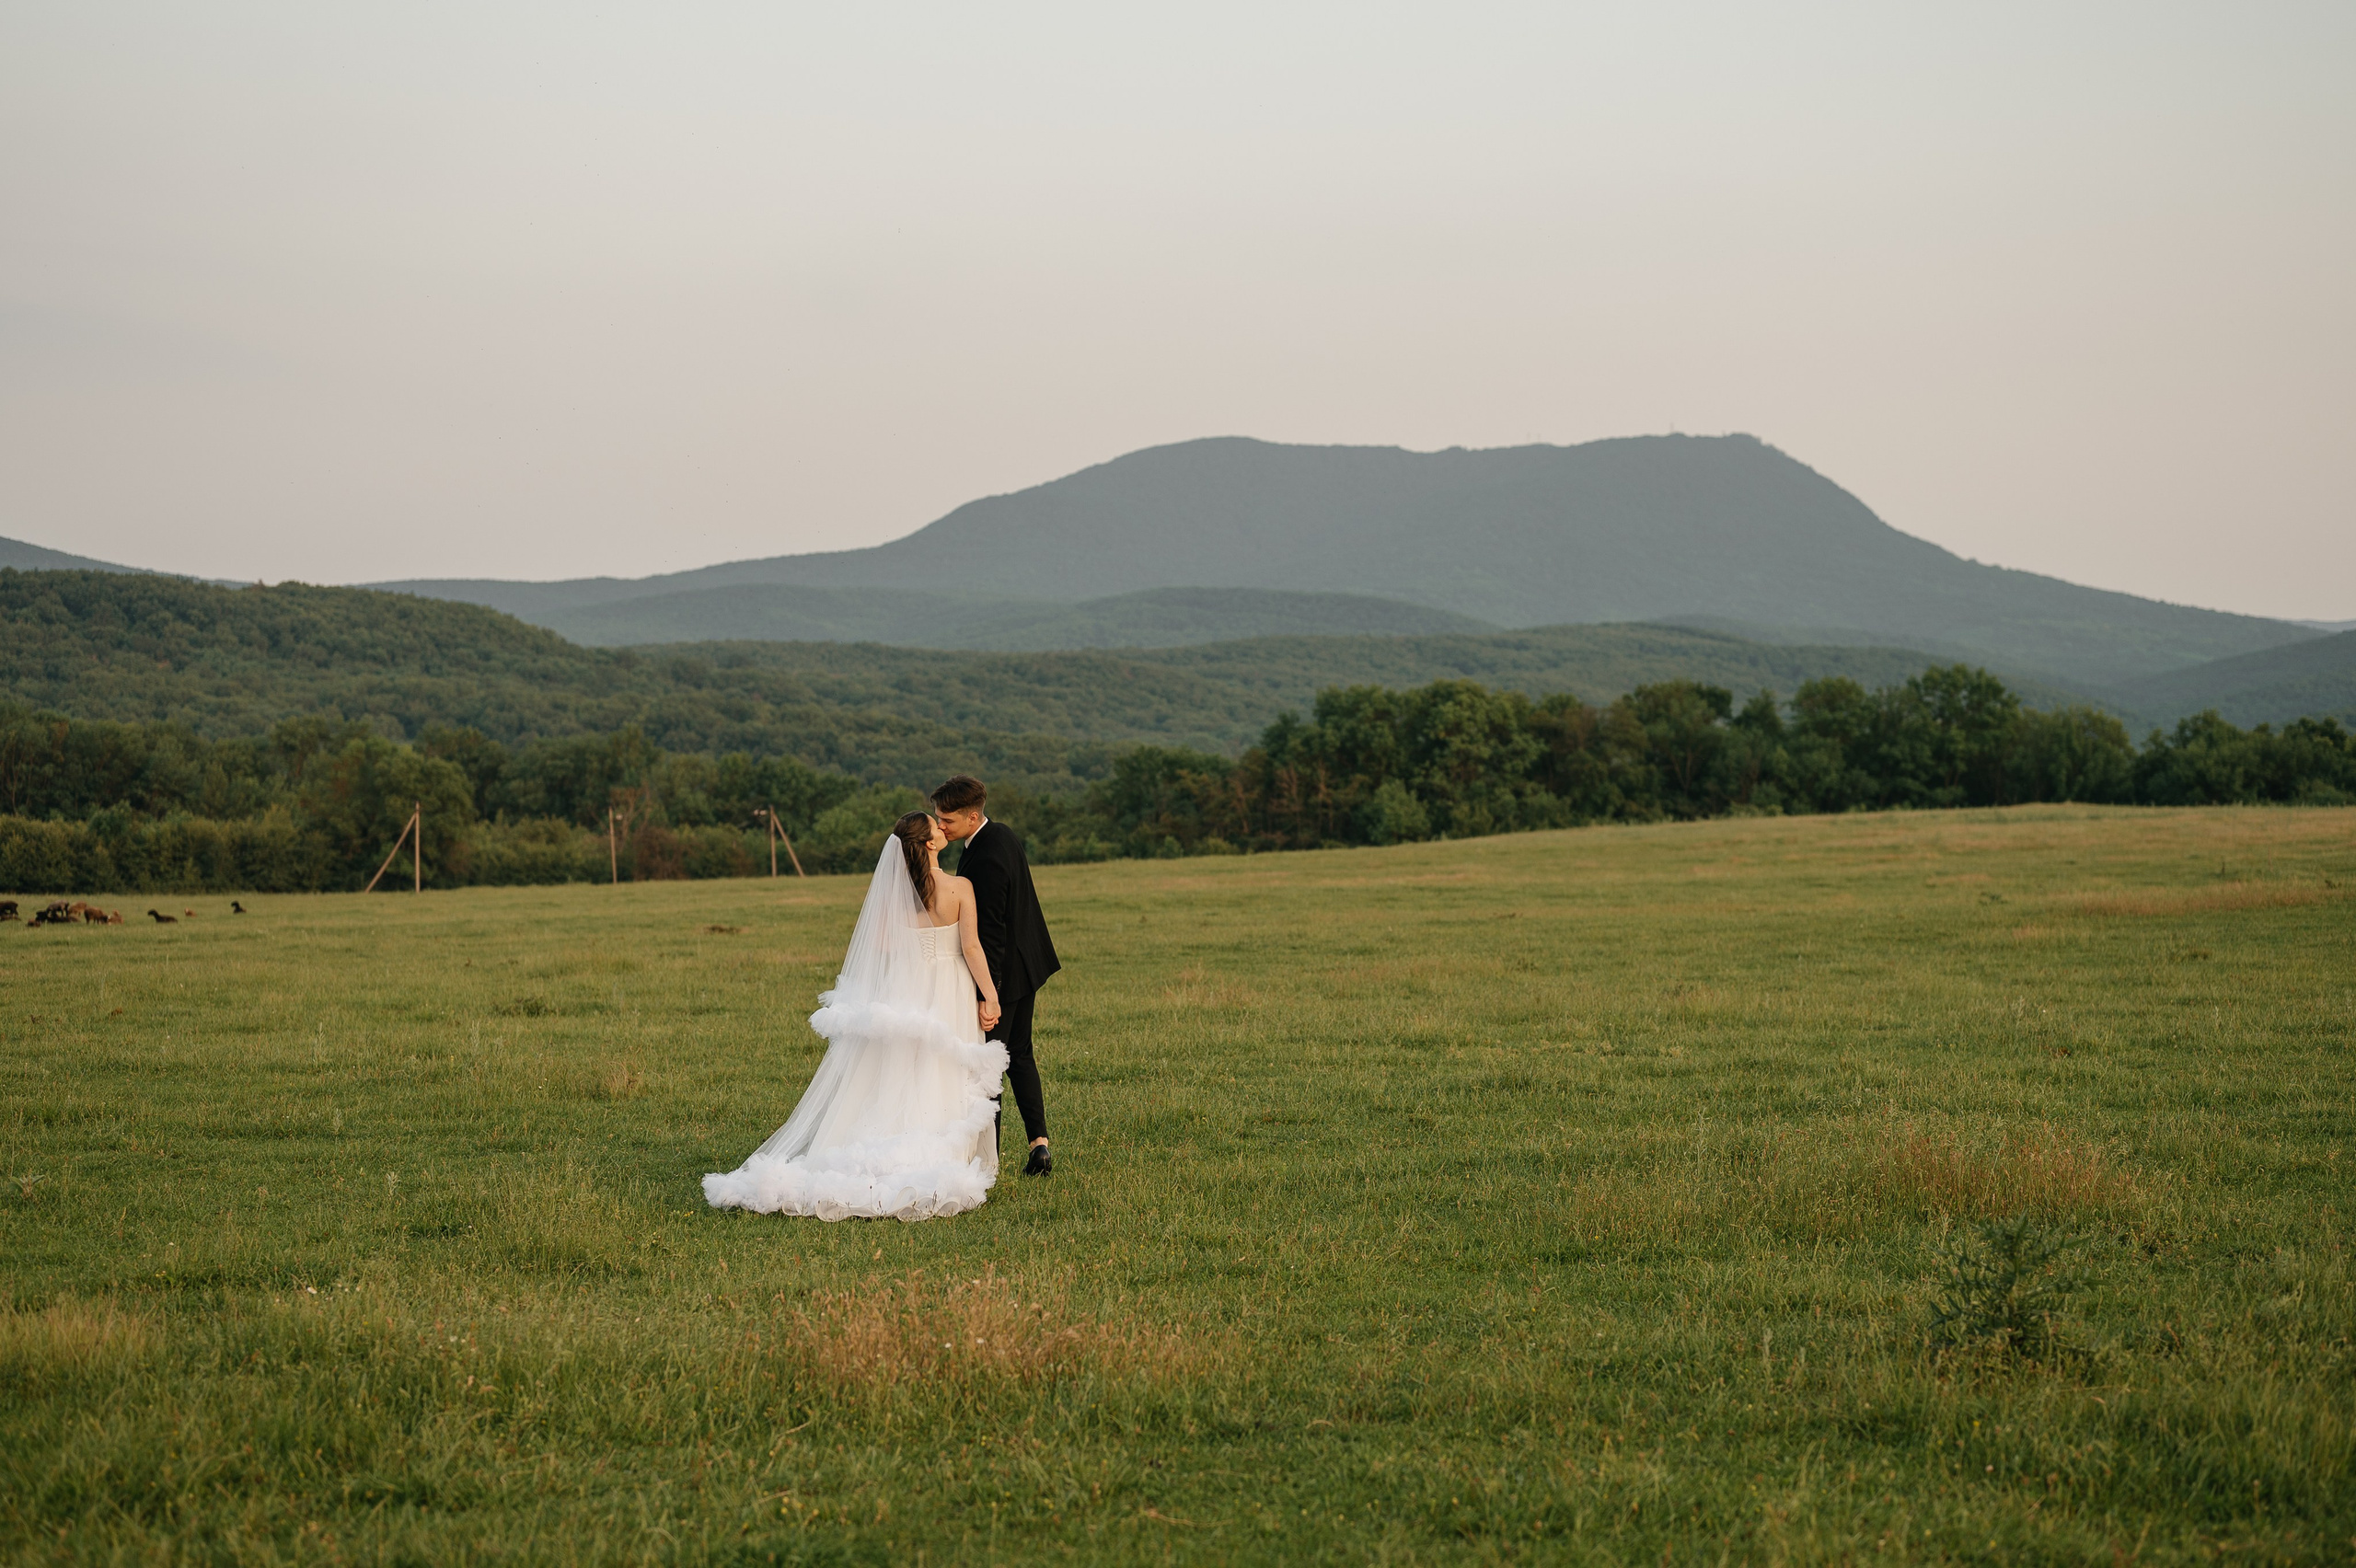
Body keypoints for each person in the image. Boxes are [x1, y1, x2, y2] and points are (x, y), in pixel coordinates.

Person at [701, 812, 1007, 1220]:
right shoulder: (959, 888)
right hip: (952, 987)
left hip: (912, 985)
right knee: (946, 1066)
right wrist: (990, 995)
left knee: (907, 1067)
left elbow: (880, 942)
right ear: (931, 844)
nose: (941, 826)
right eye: (936, 825)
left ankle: (896, 1144)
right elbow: (971, 948)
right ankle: (945, 1153)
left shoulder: (900, 893)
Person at [930, 775, 1060, 1176]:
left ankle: (990, 1159)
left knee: (988, 1065)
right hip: (1029, 964)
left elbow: (989, 935)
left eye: (947, 820)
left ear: (972, 817)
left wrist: (991, 995)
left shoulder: (983, 857)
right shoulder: (1002, 835)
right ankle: (1039, 1144)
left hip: (1005, 973)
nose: (940, 827)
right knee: (1020, 1054)